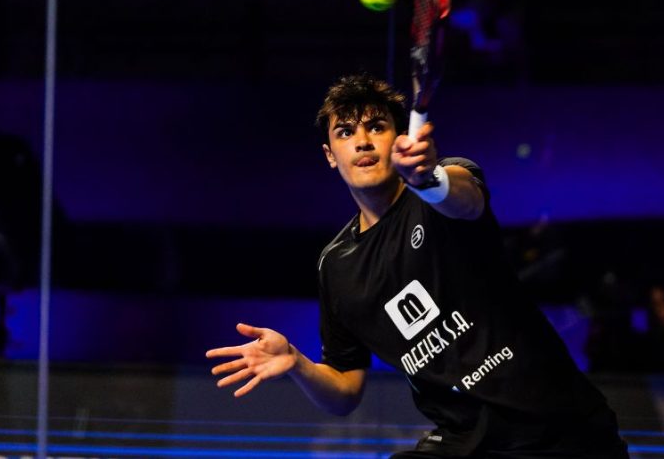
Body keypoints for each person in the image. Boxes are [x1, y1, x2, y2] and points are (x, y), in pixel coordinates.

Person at [207, 75, 629, 458]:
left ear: (399, 139)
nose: (363, 142)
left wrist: (428, 180)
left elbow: (466, 199)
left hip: (561, 427)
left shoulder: (443, 187)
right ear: (330, 155)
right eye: (346, 132)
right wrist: (297, 363)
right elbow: (345, 391)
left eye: (376, 127)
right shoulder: (336, 267)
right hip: (466, 439)